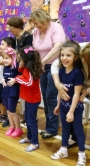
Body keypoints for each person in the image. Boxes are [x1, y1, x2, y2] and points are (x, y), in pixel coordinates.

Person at [30, 8, 66, 138]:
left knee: (51, 96)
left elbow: (58, 47)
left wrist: (43, 61)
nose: (36, 26)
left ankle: (52, 128)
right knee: (45, 95)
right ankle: (51, 123)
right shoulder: (36, 31)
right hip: (43, 67)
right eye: (34, 24)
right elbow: (35, 49)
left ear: (44, 19)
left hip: (56, 65)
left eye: (37, 23)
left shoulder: (56, 27)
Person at [50, 40, 86, 166]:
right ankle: (63, 149)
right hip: (64, 108)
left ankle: (82, 155)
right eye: (62, 55)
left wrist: (71, 112)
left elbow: (76, 94)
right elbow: (61, 92)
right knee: (65, 130)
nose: (64, 58)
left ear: (75, 57)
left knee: (78, 131)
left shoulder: (77, 73)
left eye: (68, 55)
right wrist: (59, 105)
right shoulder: (60, 72)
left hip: (75, 109)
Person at [8, 45, 43, 151]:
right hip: (28, 98)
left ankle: (35, 143)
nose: (19, 60)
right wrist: (21, 66)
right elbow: (22, 72)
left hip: (33, 99)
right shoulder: (26, 68)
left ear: (26, 59)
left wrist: (16, 79)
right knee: (27, 119)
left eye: (21, 58)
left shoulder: (31, 69)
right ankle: (29, 137)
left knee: (31, 121)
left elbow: (29, 82)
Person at [7, 16, 33, 122]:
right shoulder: (15, 38)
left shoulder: (27, 37)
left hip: (26, 66)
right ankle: (24, 115)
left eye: (11, 27)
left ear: (17, 27)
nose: (10, 30)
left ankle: (30, 116)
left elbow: (28, 52)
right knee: (21, 92)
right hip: (19, 66)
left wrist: (20, 58)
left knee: (27, 91)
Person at [0, 37, 16, 127]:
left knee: (6, 101)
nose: (0, 46)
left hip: (5, 83)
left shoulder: (7, 57)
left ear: (9, 46)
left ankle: (9, 118)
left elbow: (2, 62)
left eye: (2, 44)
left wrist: (0, 54)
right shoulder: (1, 56)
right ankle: (3, 115)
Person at [1, 47, 22, 137]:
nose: (5, 60)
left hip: (13, 91)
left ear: (13, 57)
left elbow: (22, 77)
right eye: (4, 58)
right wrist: (2, 79)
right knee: (8, 111)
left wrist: (15, 80)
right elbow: (4, 76)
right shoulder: (5, 67)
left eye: (7, 58)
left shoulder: (17, 66)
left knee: (13, 112)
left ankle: (18, 128)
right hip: (6, 90)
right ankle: (12, 126)